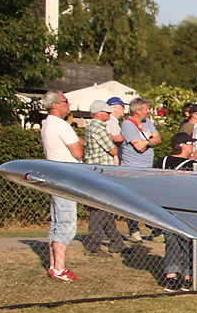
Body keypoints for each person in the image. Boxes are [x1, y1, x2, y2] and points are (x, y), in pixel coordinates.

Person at [39, 91, 84, 282]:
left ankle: (54, 265)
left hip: (54, 175)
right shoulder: (61, 125)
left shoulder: (47, 124)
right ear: (55, 105)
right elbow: (77, 151)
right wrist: (80, 142)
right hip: (66, 178)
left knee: (57, 223)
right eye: (65, 101)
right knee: (67, 224)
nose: (69, 104)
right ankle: (59, 268)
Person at [156, 134, 197, 291]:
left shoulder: (161, 161)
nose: (192, 147)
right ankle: (189, 277)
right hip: (186, 208)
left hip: (166, 207)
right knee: (191, 242)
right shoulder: (192, 165)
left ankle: (171, 277)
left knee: (171, 241)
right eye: (190, 144)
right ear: (183, 146)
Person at [81, 100, 126, 256]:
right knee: (100, 209)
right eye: (106, 112)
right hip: (100, 172)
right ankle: (92, 246)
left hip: (97, 171)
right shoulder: (98, 128)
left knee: (104, 207)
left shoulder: (93, 128)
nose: (109, 114)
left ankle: (116, 241)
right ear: (98, 114)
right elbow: (112, 150)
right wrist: (117, 141)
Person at [118, 98, 161, 240]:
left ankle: (156, 230)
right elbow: (139, 147)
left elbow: (158, 139)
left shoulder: (147, 122)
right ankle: (133, 230)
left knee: (151, 199)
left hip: (147, 168)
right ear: (137, 111)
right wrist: (149, 139)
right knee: (132, 200)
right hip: (132, 169)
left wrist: (146, 140)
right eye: (146, 109)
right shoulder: (127, 124)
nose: (148, 111)